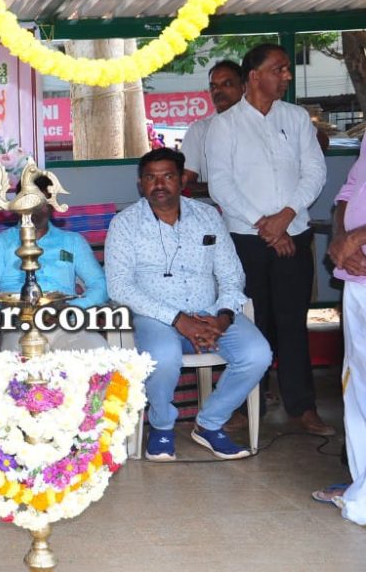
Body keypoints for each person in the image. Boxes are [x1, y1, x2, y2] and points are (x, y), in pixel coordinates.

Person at [105, 148, 271, 461]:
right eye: (151, 178)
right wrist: (179, 319)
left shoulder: (208, 216)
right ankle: (162, 427)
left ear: (182, 180)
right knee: (163, 357)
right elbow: (119, 287)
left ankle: (210, 423)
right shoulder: (124, 224)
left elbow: (231, 275)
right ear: (141, 184)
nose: (159, 184)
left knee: (257, 354)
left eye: (168, 176)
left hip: (210, 313)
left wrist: (223, 317)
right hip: (155, 317)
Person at [206, 43, 332, 436]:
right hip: (246, 241)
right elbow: (221, 184)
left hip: (294, 233)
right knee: (251, 323)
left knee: (293, 322)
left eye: (287, 69)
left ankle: (302, 407)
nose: (286, 76)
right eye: (279, 69)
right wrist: (265, 225)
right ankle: (248, 405)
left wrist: (286, 216)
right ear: (254, 76)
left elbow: (315, 172)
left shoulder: (296, 118)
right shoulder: (224, 126)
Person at [0, 175, 108, 351]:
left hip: (67, 322)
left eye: (43, 202)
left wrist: (72, 308)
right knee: (22, 363)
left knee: (97, 353)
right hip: (20, 326)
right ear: (18, 205)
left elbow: (100, 284)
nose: (36, 209)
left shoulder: (72, 241)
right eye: (29, 201)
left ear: (53, 204)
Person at [313, 141, 366, 522]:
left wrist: (356, 238)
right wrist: (340, 239)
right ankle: (360, 483)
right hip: (357, 277)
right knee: (357, 387)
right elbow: (349, 190)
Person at [180, 60, 245, 194]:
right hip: (213, 204)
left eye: (227, 84)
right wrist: (225, 190)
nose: (218, 91)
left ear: (244, 87)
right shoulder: (199, 130)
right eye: (213, 86)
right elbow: (185, 184)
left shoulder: (259, 125)